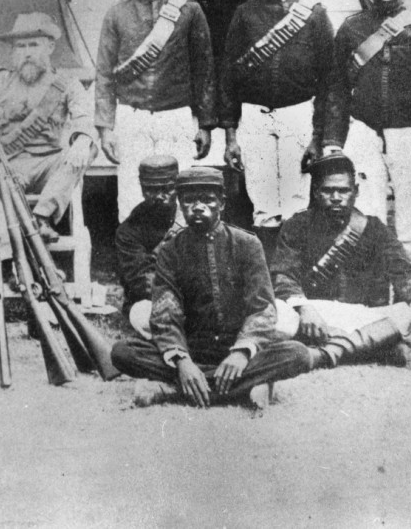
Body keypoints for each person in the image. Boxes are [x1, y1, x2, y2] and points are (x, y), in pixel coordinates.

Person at [110, 167, 313, 409]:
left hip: (238, 349)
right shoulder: (170, 251)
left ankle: (177, 388)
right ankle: (241, 388)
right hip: (191, 348)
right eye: (189, 200)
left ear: (222, 204)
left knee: (298, 354)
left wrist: (241, 353)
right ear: (180, 204)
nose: (198, 207)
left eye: (207, 199)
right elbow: (165, 315)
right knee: (123, 353)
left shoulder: (248, 244)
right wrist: (183, 361)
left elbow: (262, 309)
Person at [324, 0, 411, 264]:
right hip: (363, 129)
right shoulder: (352, 28)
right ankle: (372, 281)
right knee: (366, 208)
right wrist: (333, 140)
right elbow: (336, 88)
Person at [219, 0, 334, 257]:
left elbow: (329, 80)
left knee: (297, 202)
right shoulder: (244, 14)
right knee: (263, 202)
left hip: (298, 115)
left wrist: (319, 136)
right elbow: (228, 76)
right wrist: (230, 136)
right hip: (254, 117)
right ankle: (268, 275)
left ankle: (293, 275)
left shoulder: (314, 15)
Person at [269, 152, 411, 369]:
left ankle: (323, 352)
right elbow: (283, 274)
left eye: (344, 190)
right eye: (328, 190)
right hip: (316, 315)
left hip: (363, 316)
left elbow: (405, 271)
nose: (336, 197)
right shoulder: (297, 225)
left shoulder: (374, 228)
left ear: (355, 192)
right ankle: (371, 348)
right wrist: (303, 308)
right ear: (316, 192)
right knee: (276, 313)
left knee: (408, 312)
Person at [95, 0, 215, 222]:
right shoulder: (117, 14)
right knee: (131, 195)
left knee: (181, 194)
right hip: (132, 116)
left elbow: (204, 68)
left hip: (175, 116)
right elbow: (104, 73)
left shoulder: (189, 11)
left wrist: (206, 124)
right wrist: (105, 128)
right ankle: (136, 263)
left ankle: (177, 262)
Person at [0, 12, 95, 240]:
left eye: (33, 45)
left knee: (89, 147)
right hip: (7, 164)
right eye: (20, 46)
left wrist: (83, 140)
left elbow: (84, 117)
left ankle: (42, 217)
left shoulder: (66, 84)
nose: (27, 53)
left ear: (50, 47)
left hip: (49, 165)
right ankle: (7, 254)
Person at [114, 155, 182, 339]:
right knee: (145, 315)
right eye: (151, 190)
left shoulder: (191, 217)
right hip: (157, 300)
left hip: (198, 298)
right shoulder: (128, 231)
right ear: (142, 189)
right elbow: (142, 284)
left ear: (177, 187)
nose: (160, 196)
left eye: (167, 189)